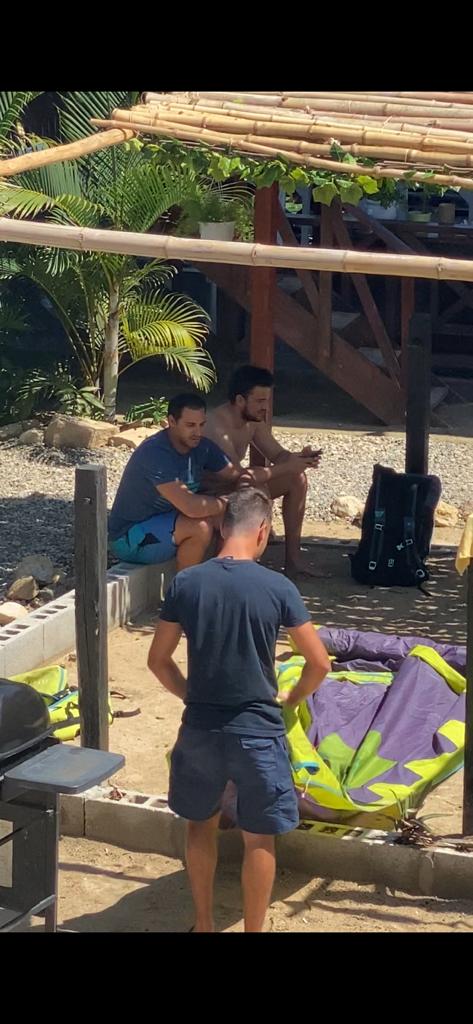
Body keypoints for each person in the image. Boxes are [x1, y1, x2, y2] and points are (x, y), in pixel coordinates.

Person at [148, 487, 331, 933]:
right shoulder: (278, 587)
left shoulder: (186, 583)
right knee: (259, 837)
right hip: (258, 730)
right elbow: (319, 662)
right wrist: (291, 698)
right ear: (263, 530)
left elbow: (157, 660)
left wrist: (190, 694)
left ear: (223, 528)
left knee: (199, 826)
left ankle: (205, 923)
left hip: (202, 727)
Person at [203, 365, 323, 580]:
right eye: (259, 401)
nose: (265, 407)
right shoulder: (215, 426)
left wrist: (298, 459)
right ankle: (246, 563)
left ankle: (293, 561)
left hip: (237, 485)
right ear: (240, 400)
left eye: (266, 400)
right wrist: (287, 466)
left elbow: (277, 454)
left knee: (297, 478)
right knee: (256, 486)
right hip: (211, 492)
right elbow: (240, 475)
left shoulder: (253, 421)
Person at [109, 393, 239, 571]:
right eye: (190, 425)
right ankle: (182, 593)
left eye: (202, 425)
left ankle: (225, 578)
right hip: (129, 536)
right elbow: (192, 507)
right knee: (200, 527)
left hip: (168, 522)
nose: (198, 432)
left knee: (235, 518)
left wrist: (262, 481)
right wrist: (232, 502)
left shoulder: (203, 447)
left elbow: (237, 475)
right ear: (171, 421)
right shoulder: (155, 453)